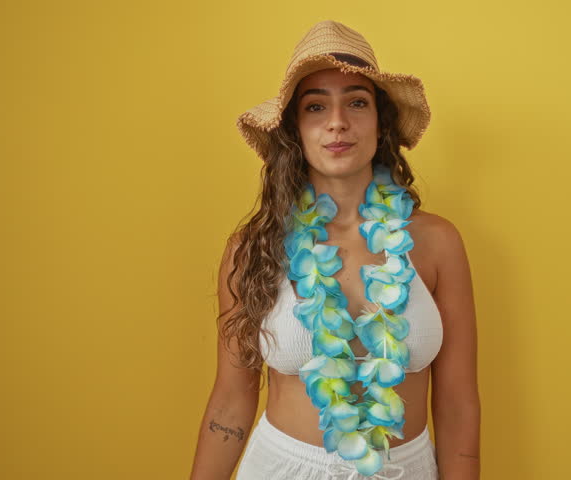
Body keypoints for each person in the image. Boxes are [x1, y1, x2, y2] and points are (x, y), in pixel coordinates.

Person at [190, 20, 480, 480]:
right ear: (294, 129)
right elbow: (232, 397)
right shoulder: (254, 248)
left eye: (357, 102)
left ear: (381, 122)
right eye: (316, 106)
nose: (337, 122)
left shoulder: (436, 242)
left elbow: (458, 403)